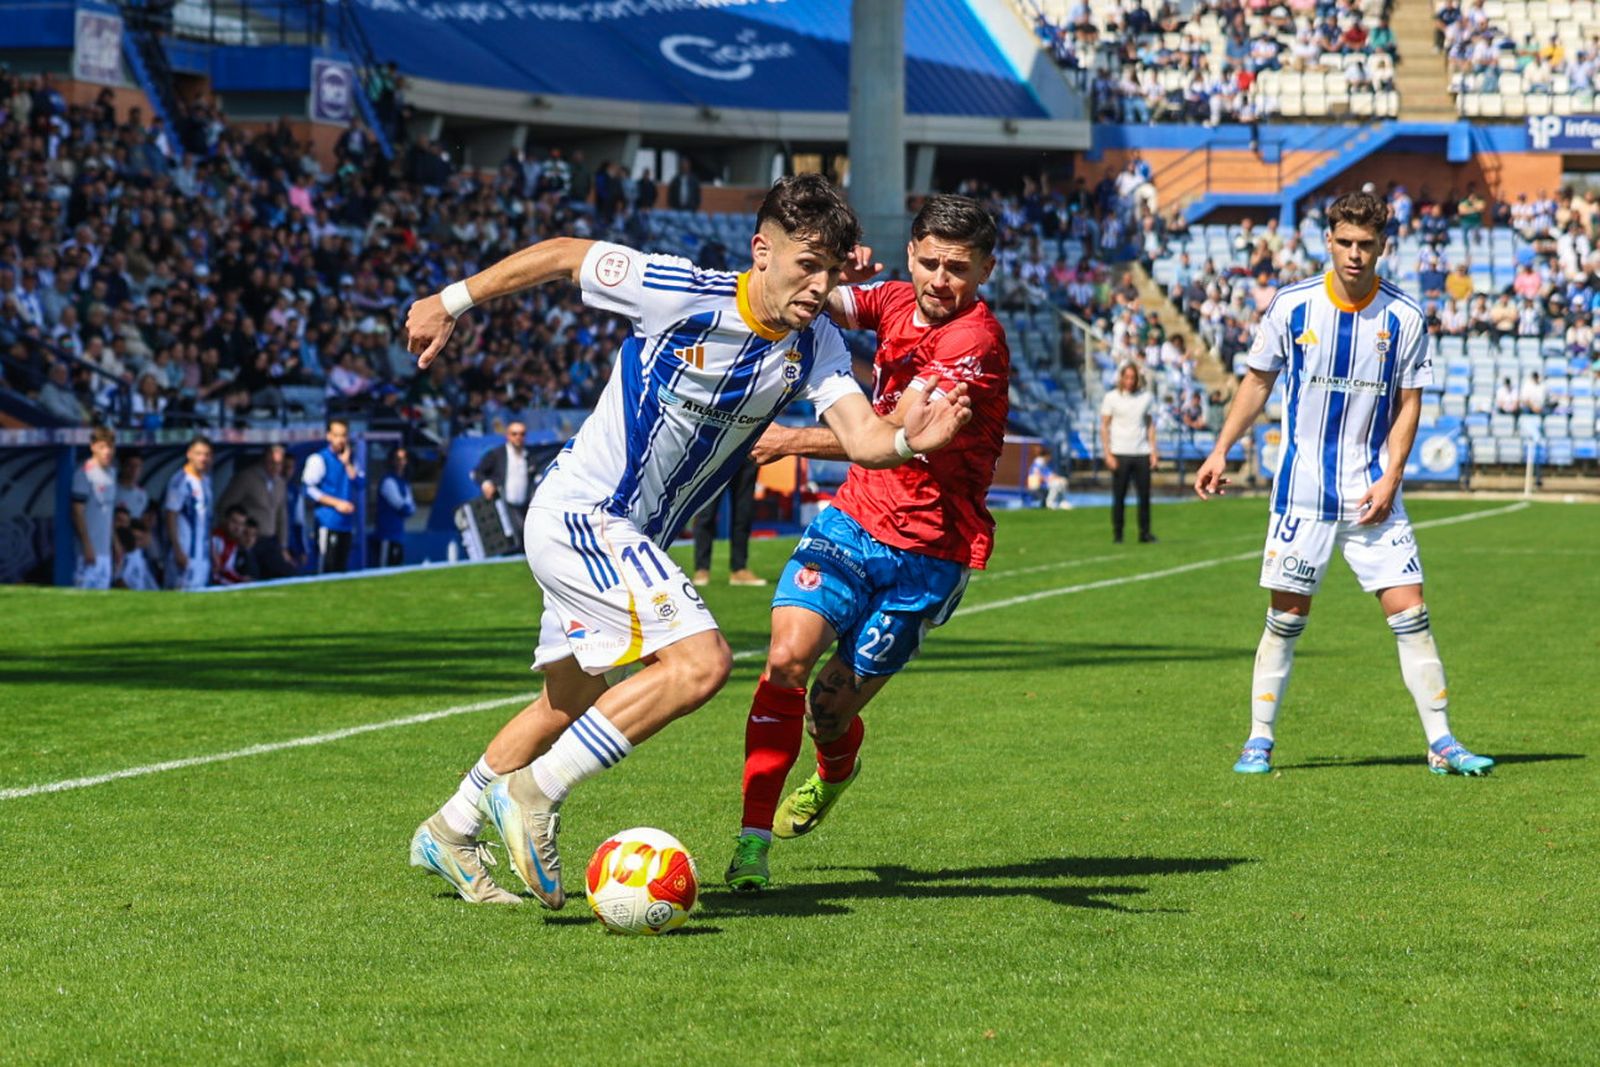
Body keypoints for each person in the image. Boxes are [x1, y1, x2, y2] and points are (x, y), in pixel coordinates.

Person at [401, 174, 972, 906]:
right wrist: (449, 301)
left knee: (567, 699)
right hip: (585, 515)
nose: (819, 287)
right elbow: (565, 254)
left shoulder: (815, 341)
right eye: (806, 265)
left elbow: (863, 437)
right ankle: (533, 792)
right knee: (701, 665)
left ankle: (449, 828)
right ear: (761, 251)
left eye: (831, 271)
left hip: (626, 535)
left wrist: (909, 440)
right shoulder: (677, 290)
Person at [723, 193, 1009, 891]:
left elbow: (895, 434)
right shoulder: (893, 299)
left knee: (827, 711)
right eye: (930, 262)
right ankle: (751, 844)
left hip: (930, 552)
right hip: (853, 520)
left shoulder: (974, 342)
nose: (940, 280)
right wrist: (825, 273)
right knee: (786, 660)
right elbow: (806, 300)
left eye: (959, 268)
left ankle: (834, 770)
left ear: (986, 270)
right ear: (910, 254)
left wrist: (792, 439)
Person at [1193, 190, 1493, 778]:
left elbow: (1409, 403)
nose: (1355, 254)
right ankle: (1258, 740)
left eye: (1367, 244)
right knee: (1286, 617)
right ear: (1328, 241)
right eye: (1346, 242)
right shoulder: (1292, 305)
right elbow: (1257, 382)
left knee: (1411, 612)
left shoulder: (1405, 317)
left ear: (1383, 247)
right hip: (1302, 493)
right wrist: (1221, 448)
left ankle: (1441, 742)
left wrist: (1392, 477)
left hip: (1372, 493)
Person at [217, 443, 296, 578]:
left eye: (279, 464)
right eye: (272, 463)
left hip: (270, 540)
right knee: (252, 577)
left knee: (286, 574)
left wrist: (283, 546)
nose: (275, 467)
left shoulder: (280, 483)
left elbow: (281, 516)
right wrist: (234, 534)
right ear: (264, 460)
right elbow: (225, 506)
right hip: (248, 541)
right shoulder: (246, 478)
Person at [1100, 362, 1159, 543]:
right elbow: (1104, 426)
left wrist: (1153, 451)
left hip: (1141, 452)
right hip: (1120, 452)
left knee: (1144, 496)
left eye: (1133, 378)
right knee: (1119, 496)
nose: (1130, 381)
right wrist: (1108, 453)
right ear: (1121, 378)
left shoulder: (1146, 398)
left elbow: (1150, 426)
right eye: (1127, 377)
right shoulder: (1111, 398)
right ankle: (1118, 533)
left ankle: (1145, 533)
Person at [691, 455, 765, 587]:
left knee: (743, 514)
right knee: (706, 513)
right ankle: (701, 569)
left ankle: (739, 569)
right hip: (717, 454)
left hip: (746, 455)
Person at [302, 418, 362, 574]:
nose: (340, 440)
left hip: (346, 524)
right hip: (327, 523)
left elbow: (360, 483)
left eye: (343, 435)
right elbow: (308, 489)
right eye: (336, 435)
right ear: (329, 436)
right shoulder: (319, 459)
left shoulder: (351, 459)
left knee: (341, 571)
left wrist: (347, 464)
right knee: (327, 570)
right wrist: (337, 503)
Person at [163, 435, 215, 590]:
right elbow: (171, 516)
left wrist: (212, 550)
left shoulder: (206, 481)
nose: (202, 458)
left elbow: (206, 519)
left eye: (206, 454)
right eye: (198, 454)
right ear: (189, 454)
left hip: (202, 554)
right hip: (185, 551)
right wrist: (177, 549)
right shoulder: (180, 481)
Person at [473, 420, 538, 543]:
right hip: (504, 503)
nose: (518, 437)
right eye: (514, 434)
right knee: (515, 534)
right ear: (508, 436)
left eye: (522, 434)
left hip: (524, 504)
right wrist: (486, 484)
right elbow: (477, 472)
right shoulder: (497, 454)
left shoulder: (529, 455)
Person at [70, 426, 117, 589]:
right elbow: (77, 513)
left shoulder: (112, 473)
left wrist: (116, 544)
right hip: (87, 552)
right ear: (93, 447)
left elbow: (108, 513)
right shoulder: (84, 473)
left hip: (106, 552)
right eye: (102, 447)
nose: (107, 451)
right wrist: (87, 545)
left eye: (110, 447)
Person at [376, 447, 415, 567]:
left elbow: (411, 508)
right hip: (387, 535)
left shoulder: (404, 482)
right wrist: (407, 507)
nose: (401, 462)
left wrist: (408, 507)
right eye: (398, 459)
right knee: (385, 570)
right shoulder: (388, 481)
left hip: (399, 535)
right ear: (392, 461)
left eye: (403, 459)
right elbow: (401, 506)